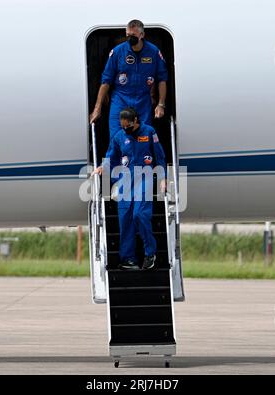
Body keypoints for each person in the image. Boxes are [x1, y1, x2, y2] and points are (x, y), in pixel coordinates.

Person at [93, 108, 167, 270]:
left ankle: (150, 253)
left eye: (128, 126)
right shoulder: (119, 136)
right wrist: (102, 167)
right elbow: (111, 156)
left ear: (136, 120)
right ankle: (128, 259)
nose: (125, 129)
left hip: (144, 178)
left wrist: (162, 178)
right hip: (125, 181)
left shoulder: (149, 132)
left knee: (140, 215)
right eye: (123, 126)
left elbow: (159, 156)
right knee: (125, 220)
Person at [90, 19, 168, 140]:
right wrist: (97, 108)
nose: (130, 38)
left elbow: (162, 79)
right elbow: (106, 81)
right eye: (127, 35)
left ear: (142, 35)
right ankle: (112, 159)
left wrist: (161, 104)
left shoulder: (154, 52)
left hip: (143, 100)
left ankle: (141, 159)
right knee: (116, 137)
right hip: (121, 99)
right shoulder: (117, 52)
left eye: (133, 35)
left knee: (143, 139)